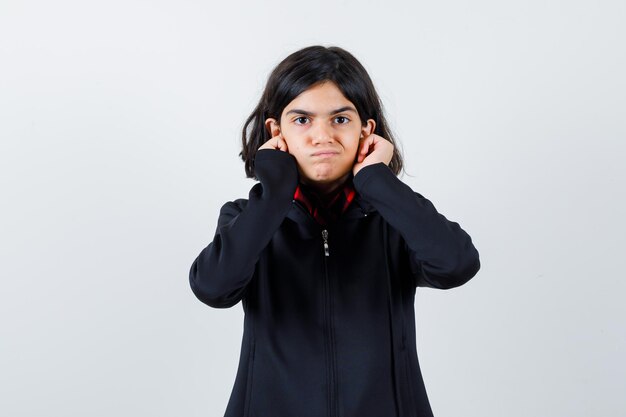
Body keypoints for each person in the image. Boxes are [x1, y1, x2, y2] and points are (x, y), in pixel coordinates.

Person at [188, 45, 481, 417]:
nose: (321, 136)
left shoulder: (395, 218)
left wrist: (377, 181)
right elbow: (213, 288)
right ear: (276, 132)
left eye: (340, 120)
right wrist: (274, 192)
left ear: (366, 130)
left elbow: (457, 264)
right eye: (302, 120)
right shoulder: (248, 218)